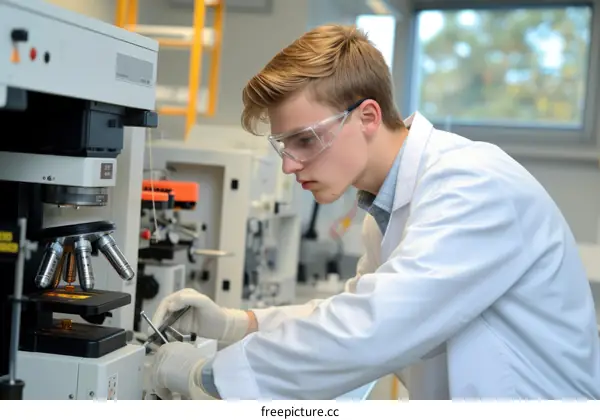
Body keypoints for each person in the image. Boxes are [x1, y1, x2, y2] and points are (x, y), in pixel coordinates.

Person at [147, 24, 600, 400]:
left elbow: (372, 330)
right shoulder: (383, 212)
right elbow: (353, 309)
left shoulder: (470, 183)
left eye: (305, 140)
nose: (288, 164)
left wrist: (207, 376)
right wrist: (236, 324)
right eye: (283, 146)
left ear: (367, 116)